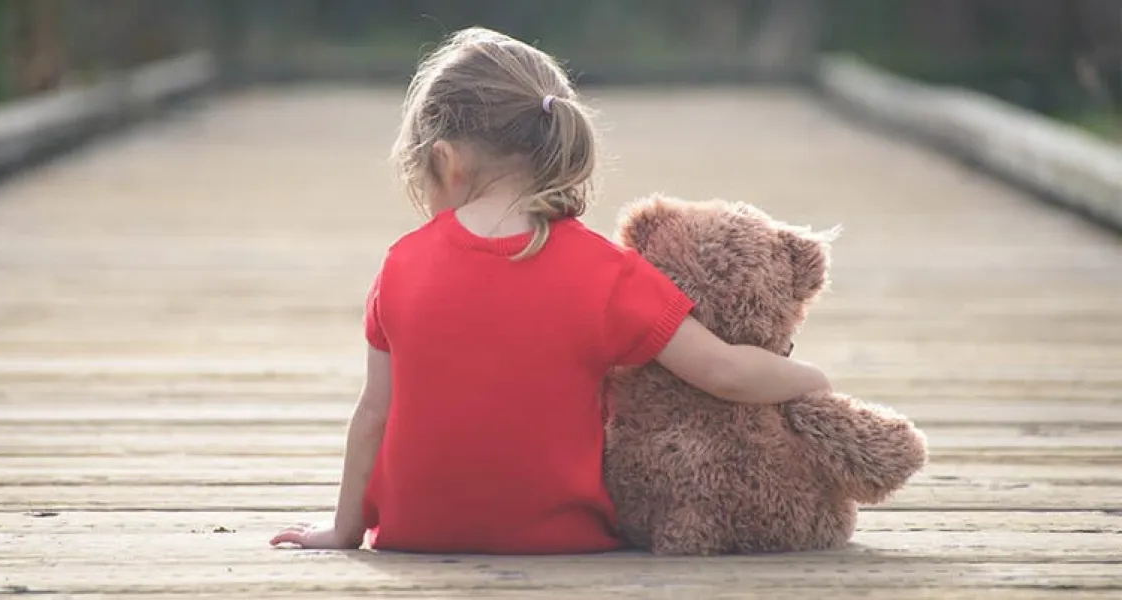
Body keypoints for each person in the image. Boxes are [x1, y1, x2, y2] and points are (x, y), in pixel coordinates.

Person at [269, 26, 831, 554]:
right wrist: (812, 380)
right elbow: (724, 372)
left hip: (415, 535)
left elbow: (373, 413)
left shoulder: (400, 264)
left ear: (444, 160)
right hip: (565, 539)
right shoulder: (606, 272)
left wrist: (343, 530)